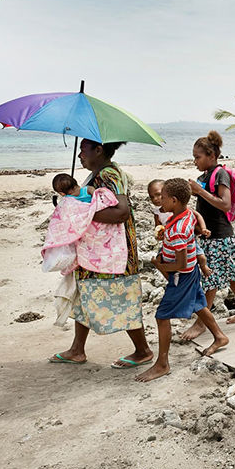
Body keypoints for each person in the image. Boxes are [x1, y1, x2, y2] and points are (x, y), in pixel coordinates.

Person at [49, 139, 153, 369]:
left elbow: (121, 212)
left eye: (83, 150)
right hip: (98, 250)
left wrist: (76, 213)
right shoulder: (99, 175)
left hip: (115, 253)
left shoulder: (108, 175)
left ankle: (143, 350)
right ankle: (77, 350)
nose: (79, 155)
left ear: (98, 150)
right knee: (84, 293)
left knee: (122, 296)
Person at [137, 179, 228, 382]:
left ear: (175, 200)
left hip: (182, 276)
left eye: (164, 198)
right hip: (191, 272)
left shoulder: (178, 228)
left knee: (161, 317)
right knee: (198, 304)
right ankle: (220, 336)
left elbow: (180, 263)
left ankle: (162, 364)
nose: (160, 202)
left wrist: (159, 265)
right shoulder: (185, 215)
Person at [181, 130, 235, 342]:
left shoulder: (220, 174)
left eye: (198, 157)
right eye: (194, 157)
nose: (195, 161)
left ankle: (202, 323)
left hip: (220, 234)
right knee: (231, 273)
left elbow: (224, 203)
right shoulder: (204, 176)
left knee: (211, 277)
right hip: (210, 234)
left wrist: (200, 191)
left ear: (212, 156)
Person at [147, 178, 213, 277]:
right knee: (160, 258)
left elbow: (197, 216)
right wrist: (159, 236)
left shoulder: (179, 212)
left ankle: (203, 267)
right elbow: (158, 227)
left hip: (181, 239)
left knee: (201, 257)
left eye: (160, 195)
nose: (156, 199)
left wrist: (203, 228)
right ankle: (171, 280)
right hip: (170, 240)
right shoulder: (158, 212)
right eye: (152, 197)